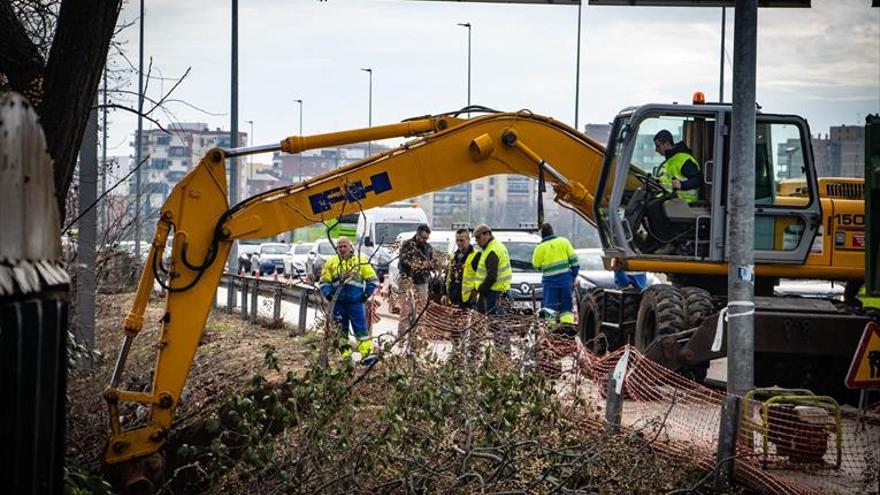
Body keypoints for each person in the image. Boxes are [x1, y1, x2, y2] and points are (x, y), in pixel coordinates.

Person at [319, 236, 379, 365]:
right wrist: (328, 294)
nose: (342, 249)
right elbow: (324, 281)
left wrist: (365, 295)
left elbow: (373, 280)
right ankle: (345, 358)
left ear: (350, 246)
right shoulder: (331, 262)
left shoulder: (359, 261)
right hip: (339, 304)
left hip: (355, 303)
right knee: (341, 331)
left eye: (344, 246)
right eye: (339, 247)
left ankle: (368, 356)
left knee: (361, 330)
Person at [644, 130, 703, 253]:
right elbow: (670, 180)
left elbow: (698, 179)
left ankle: (666, 242)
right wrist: (659, 181)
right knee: (647, 202)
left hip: (685, 198)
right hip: (673, 195)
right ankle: (652, 242)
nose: (656, 150)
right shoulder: (671, 159)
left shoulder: (684, 159)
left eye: (658, 146)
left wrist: (682, 185)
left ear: (666, 144)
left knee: (653, 206)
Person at [531, 223, 579, 325]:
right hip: (565, 281)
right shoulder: (564, 242)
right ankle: (567, 327)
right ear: (552, 232)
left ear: (542, 235)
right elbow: (574, 261)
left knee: (550, 307)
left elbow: (536, 265)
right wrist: (573, 276)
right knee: (566, 306)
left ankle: (551, 331)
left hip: (549, 283)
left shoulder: (539, 248)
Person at [397, 224, 433, 329]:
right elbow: (403, 261)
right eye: (422, 237)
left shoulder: (428, 248)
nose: (424, 240)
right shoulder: (407, 245)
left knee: (421, 312)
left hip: (422, 281)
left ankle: (418, 340)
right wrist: (420, 265)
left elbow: (433, 263)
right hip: (406, 280)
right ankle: (402, 340)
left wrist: (431, 264)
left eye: (426, 238)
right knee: (405, 312)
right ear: (417, 234)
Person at [472, 224, 512, 316]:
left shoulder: (492, 250)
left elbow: (491, 277)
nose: (476, 240)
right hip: (500, 291)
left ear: (487, 234)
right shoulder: (494, 246)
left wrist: (481, 290)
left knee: (495, 325)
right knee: (498, 324)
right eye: (475, 238)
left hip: (495, 293)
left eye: (478, 237)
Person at [444, 228, 478, 309]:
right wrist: (444, 293)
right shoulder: (454, 256)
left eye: (462, 240)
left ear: (468, 239)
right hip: (453, 298)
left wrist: (475, 294)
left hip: (468, 300)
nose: (459, 243)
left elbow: (481, 278)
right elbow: (447, 276)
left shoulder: (476, 256)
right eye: (457, 240)